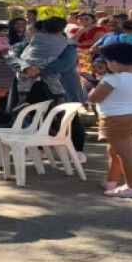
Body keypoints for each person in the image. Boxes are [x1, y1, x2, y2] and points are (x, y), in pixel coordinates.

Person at [7, 16, 88, 159]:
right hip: (31, 89)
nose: (27, 33)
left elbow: (65, 63)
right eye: (28, 30)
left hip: (60, 88)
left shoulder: (66, 46)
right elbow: (12, 59)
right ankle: (39, 149)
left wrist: (40, 71)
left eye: (31, 30)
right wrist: (25, 67)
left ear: (42, 32)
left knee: (69, 118)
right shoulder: (21, 46)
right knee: (35, 117)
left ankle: (77, 150)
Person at [89, 42, 132, 198]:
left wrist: (93, 88)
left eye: (108, 62)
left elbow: (94, 98)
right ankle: (111, 180)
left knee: (125, 153)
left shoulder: (113, 79)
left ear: (115, 62)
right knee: (115, 150)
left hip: (116, 119)